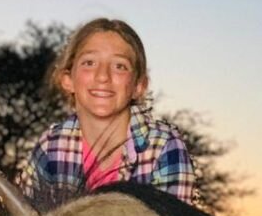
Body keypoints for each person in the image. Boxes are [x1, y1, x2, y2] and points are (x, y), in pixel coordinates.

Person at [18, 18, 195, 204]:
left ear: (138, 86)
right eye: (89, 63)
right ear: (67, 79)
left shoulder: (164, 145)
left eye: (119, 66)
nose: (103, 76)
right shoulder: (50, 145)